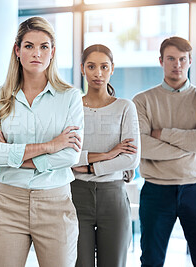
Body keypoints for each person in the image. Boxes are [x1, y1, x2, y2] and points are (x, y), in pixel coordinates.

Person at [0, 16, 84, 267]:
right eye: (29, 46)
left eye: (44, 46)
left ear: (53, 52)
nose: (36, 53)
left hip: (55, 204)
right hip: (7, 203)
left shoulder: (70, 97)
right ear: (17, 50)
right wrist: (49, 146)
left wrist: (11, 154)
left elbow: (70, 156)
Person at [133, 36, 196, 267]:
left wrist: (162, 133)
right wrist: (192, 144)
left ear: (191, 60)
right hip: (156, 191)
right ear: (161, 61)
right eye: (171, 59)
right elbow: (141, 145)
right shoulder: (142, 101)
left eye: (182, 59)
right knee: (151, 261)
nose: (177, 64)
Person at [71, 44, 140, 267]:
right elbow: (65, 154)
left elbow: (131, 158)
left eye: (104, 66)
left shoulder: (125, 107)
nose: (98, 73)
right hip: (76, 194)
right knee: (80, 263)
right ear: (82, 69)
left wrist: (91, 167)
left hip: (113, 195)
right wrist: (108, 154)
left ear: (112, 69)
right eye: (91, 66)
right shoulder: (72, 108)